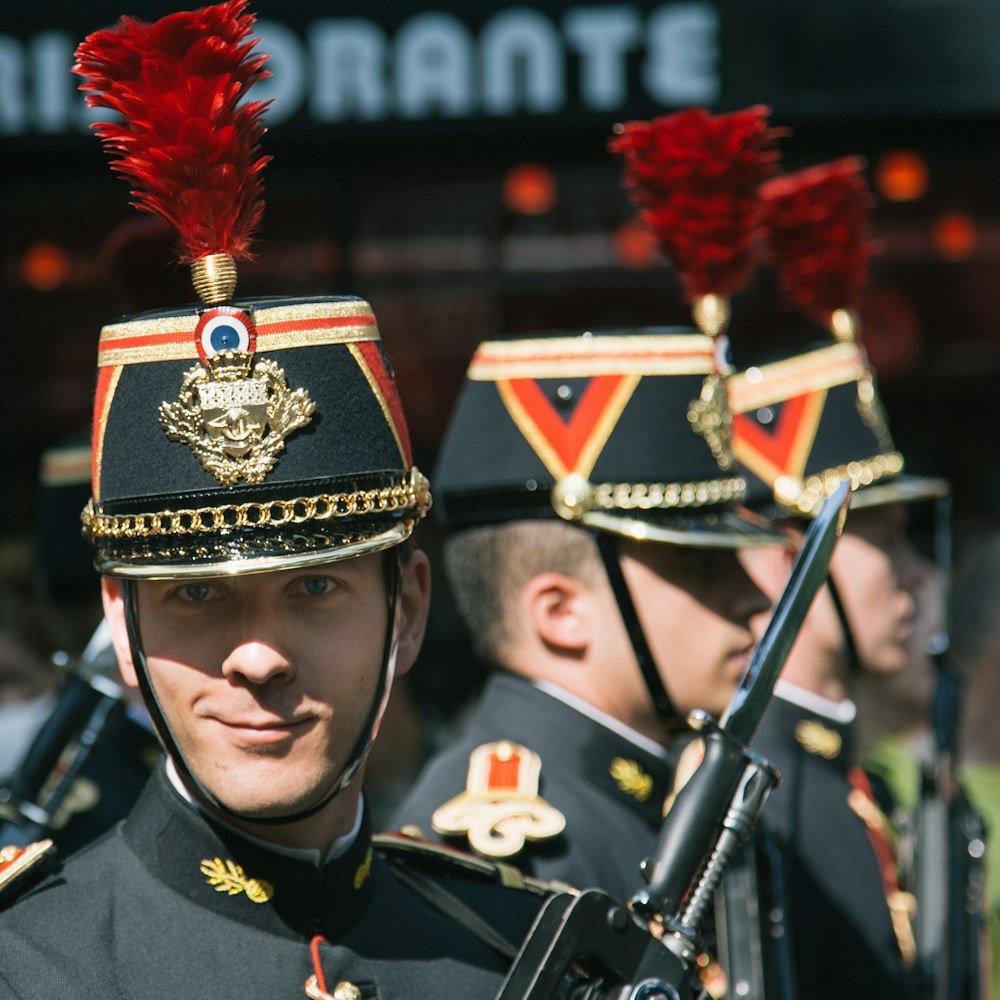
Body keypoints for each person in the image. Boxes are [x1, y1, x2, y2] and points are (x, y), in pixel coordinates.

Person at [0, 5, 559, 997]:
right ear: (120, 627)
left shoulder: (524, 956)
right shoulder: (28, 963)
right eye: (197, 596)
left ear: (412, 606)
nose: (257, 656)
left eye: (313, 588)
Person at [390, 325, 783, 908]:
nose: (755, 598)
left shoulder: (628, 802)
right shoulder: (511, 845)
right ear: (561, 612)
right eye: (698, 567)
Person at [728, 331, 949, 1000]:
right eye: (881, 538)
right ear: (786, 562)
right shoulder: (764, 798)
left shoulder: (838, 779)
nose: (915, 573)